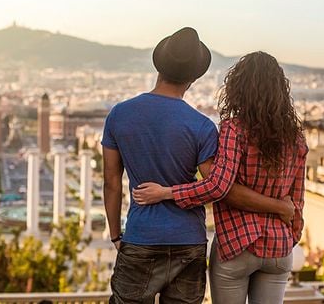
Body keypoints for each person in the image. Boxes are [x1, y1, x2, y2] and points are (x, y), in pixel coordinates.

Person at [103, 30, 295, 304]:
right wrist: (281, 208)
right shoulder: (201, 125)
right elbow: (217, 187)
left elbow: (111, 182)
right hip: (188, 241)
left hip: (141, 235)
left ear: (158, 66)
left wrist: (115, 236)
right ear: (193, 78)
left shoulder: (119, 115)